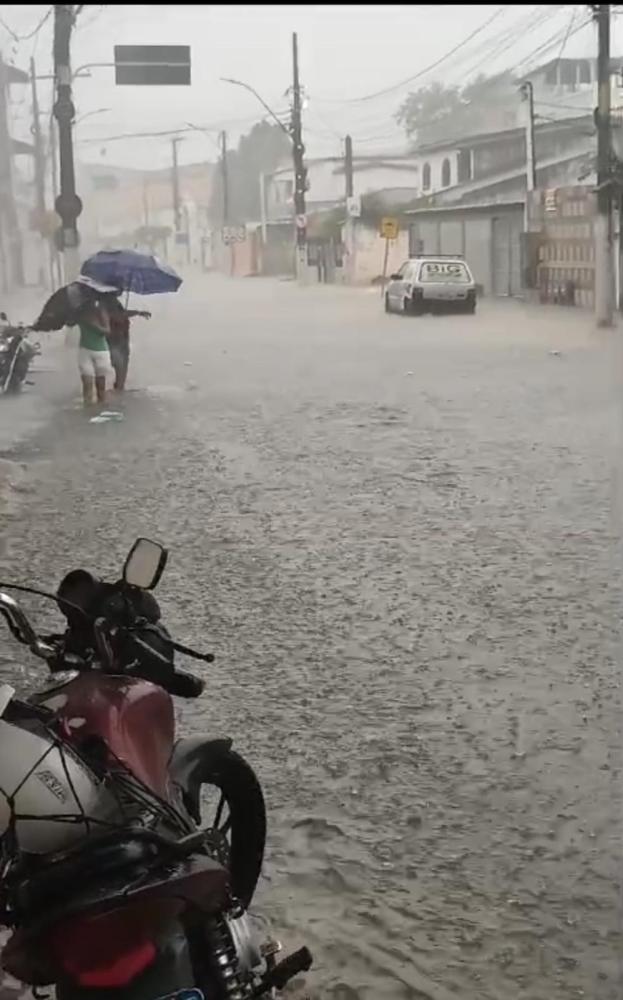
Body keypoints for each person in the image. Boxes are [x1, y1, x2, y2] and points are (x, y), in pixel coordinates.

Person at [104, 294, 151, 392]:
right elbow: (118, 316)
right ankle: (118, 389)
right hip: (115, 339)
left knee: (122, 364)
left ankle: (119, 388)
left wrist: (137, 313)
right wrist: (136, 313)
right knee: (120, 365)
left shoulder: (112, 301)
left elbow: (121, 314)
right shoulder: (107, 302)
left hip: (121, 339)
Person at [77, 299, 112, 406]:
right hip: (84, 350)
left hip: (101, 352)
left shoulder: (101, 311)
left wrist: (93, 324)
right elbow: (69, 323)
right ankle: (87, 412)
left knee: (100, 387)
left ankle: (100, 410)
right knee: (87, 384)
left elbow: (107, 331)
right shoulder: (79, 312)